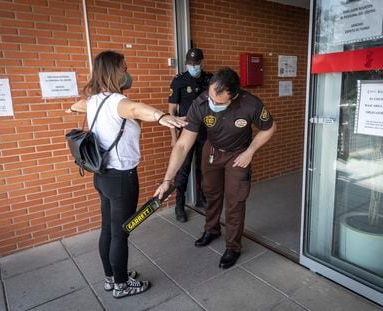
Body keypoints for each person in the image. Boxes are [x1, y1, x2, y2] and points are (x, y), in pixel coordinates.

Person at [68, 50, 187, 298]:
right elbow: (134, 109)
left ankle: (112, 278)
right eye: (124, 67)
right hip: (122, 178)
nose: (127, 72)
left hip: (102, 176)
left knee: (108, 230)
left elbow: (77, 105)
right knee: (121, 233)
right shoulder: (116, 102)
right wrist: (162, 116)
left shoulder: (94, 100)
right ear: (114, 71)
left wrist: (76, 106)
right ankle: (121, 286)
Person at [155, 67, 276, 269]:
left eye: (218, 102)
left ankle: (233, 246)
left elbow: (269, 127)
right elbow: (183, 144)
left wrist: (251, 151)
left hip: (239, 154)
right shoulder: (201, 102)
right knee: (211, 192)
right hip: (212, 152)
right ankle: (211, 229)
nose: (212, 103)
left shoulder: (250, 104)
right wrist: (168, 178)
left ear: (234, 95)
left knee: (235, 199)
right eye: (211, 97)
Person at [168, 48, 212, 222]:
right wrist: (173, 137)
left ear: (202, 62)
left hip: (205, 132)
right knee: (183, 169)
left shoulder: (210, 79)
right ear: (186, 63)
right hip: (186, 131)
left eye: (196, 63)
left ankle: (202, 198)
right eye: (190, 64)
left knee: (204, 167)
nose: (193, 66)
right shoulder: (179, 80)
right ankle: (180, 205)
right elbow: (171, 110)